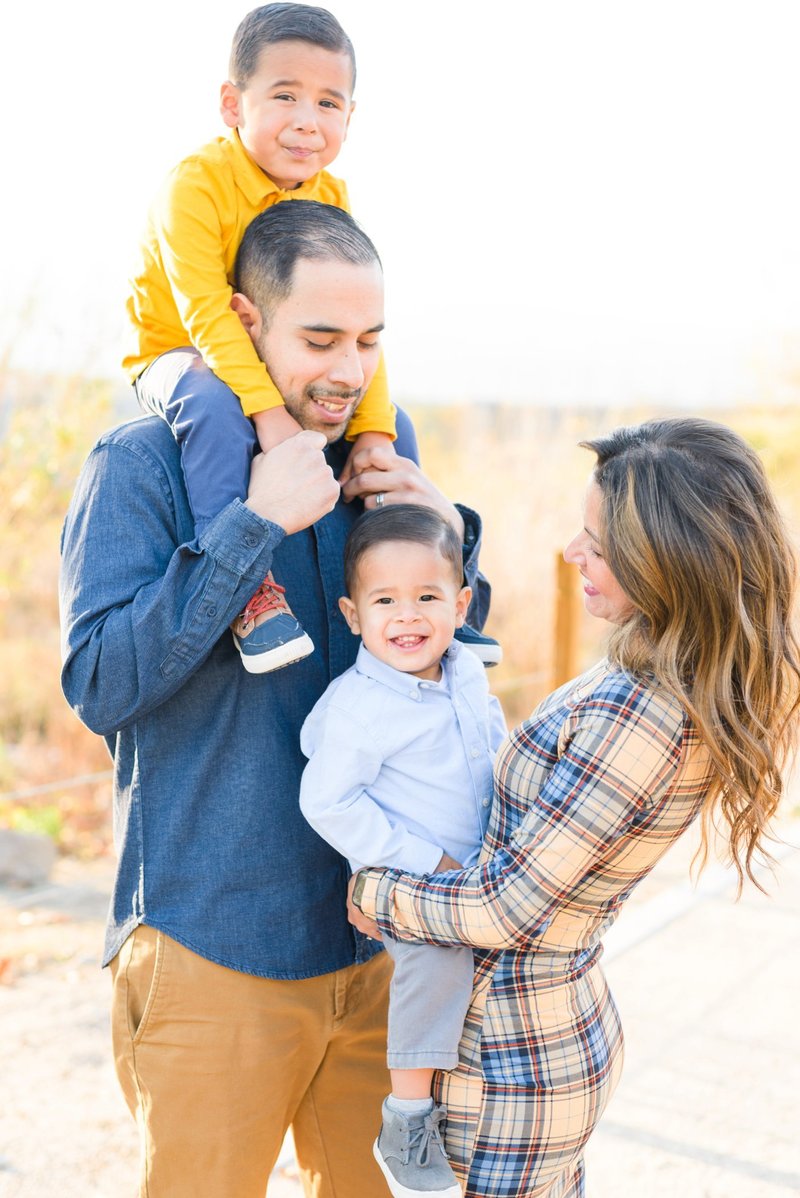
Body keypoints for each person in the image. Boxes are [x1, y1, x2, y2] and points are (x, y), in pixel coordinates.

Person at [59, 200, 491, 1198]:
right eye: (321, 339)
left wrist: (435, 525)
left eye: (370, 340)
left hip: (382, 943)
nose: (349, 368)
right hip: (219, 944)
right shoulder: (142, 464)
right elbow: (100, 681)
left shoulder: (375, 459)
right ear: (246, 326)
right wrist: (251, 525)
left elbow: (443, 658)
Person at [348, 417, 800, 1198]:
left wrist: (375, 895)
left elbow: (509, 906)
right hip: (541, 1033)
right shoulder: (662, 672)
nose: (571, 552)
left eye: (596, 539)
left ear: (666, 556)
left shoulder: (640, 712)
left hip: (509, 1061)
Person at [122, 1, 500, 673]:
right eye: (285, 96)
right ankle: (251, 595)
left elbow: (355, 324)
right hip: (176, 354)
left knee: (399, 435)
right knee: (212, 406)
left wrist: (376, 432)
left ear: (351, 117)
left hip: (270, 365)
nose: (307, 120)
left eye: (329, 103)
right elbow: (208, 317)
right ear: (233, 103)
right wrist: (271, 422)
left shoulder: (330, 197)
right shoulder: (194, 188)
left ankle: (426, 600)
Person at [299, 505, 508, 1198]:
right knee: (438, 962)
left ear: (461, 602)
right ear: (353, 615)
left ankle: (463, 1093)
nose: (407, 616)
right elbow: (326, 800)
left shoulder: (467, 673)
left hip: (479, 872)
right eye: (384, 601)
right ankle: (408, 1116)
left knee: (490, 980)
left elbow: (487, 746)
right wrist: (418, 863)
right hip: (412, 878)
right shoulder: (362, 706)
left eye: (427, 597)